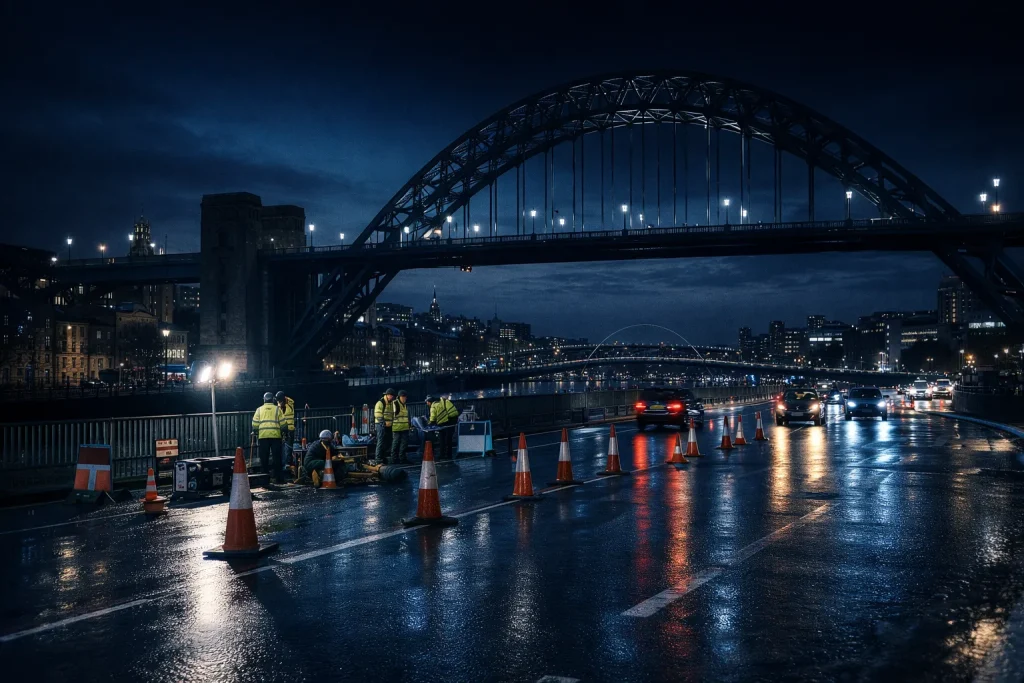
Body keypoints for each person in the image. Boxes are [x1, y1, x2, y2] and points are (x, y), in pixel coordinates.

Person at [252, 392, 285, 484]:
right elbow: (283, 424)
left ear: (264, 399)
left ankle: (265, 479)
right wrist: (285, 432)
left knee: (264, 459)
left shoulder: (259, 410)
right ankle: (279, 479)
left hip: (263, 437)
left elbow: (254, 424)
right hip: (275, 437)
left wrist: (257, 431)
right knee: (277, 458)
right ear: (272, 400)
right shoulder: (277, 409)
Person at [426, 394, 459, 460]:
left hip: (445, 422)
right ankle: (449, 455)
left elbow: (433, 418)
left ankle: (442, 455)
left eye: (427, 402)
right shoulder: (441, 402)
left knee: (442, 439)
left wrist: (428, 424)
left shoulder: (433, 406)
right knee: (448, 439)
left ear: (430, 402)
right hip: (453, 420)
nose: (427, 404)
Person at [373, 387, 396, 464]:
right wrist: (383, 422)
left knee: (388, 441)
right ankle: (378, 458)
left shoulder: (391, 403)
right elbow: (377, 414)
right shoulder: (380, 402)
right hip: (381, 424)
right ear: (387, 395)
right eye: (391, 396)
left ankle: (383, 456)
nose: (392, 397)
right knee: (381, 440)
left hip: (389, 425)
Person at [388, 389, 411, 465]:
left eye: (405, 397)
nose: (405, 398)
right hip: (397, 428)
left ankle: (402, 459)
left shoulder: (405, 405)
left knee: (404, 444)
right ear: (399, 397)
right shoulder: (395, 404)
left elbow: (406, 416)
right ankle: (394, 459)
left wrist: (409, 425)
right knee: (396, 443)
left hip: (404, 428)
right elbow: (390, 414)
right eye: (403, 397)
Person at [276, 391, 296, 477]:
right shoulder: (281, 405)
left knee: (287, 448)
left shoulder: (289, 404)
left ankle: (287, 464)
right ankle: (284, 464)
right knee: (285, 447)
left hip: (288, 429)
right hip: (285, 429)